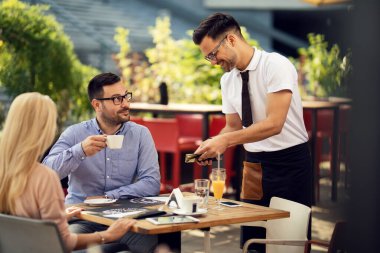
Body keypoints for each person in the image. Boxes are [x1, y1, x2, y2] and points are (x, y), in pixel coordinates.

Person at [193, 13, 312, 250]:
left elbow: (273, 124)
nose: (213, 62)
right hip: (254, 166)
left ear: (231, 40)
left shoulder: (275, 65)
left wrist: (225, 140)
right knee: (252, 242)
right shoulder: (228, 81)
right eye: (208, 58)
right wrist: (213, 143)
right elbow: (234, 127)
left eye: (213, 54)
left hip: (290, 163)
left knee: (289, 244)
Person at [0, 92, 136, 252]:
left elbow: (23, 224)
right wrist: (108, 235)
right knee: (125, 249)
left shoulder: (5, 170)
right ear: (44, 129)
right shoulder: (44, 177)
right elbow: (64, 242)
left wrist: (59, 215)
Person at [43, 72, 161, 253]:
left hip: (123, 217)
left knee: (150, 243)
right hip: (82, 217)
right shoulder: (75, 134)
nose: (125, 104)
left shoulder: (140, 134)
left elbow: (151, 182)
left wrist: (110, 196)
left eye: (125, 96)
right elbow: (46, 172)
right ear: (97, 104)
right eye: (116, 99)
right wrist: (80, 151)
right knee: (70, 248)